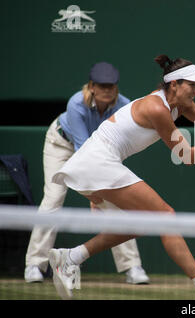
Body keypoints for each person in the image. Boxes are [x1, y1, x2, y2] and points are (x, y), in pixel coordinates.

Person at [47, 54, 195, 300]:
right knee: (166, 216)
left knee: (142, 224)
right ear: (174, 84)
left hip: (93, 164)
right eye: (192, 84)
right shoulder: (156, 108)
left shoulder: (181, 105)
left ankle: (70, 257)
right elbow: (187, 155)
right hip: (96, 161)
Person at [24, 62, 150, 285]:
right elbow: (83, 151)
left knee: (115, 204)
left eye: (111, 86)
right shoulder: (76, 104)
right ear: (91, 86)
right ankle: (35, 264)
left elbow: (120, 147)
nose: (107, 90)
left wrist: (104, 191)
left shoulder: (125, 107)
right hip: (61, 146)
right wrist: (94, 193)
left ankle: (133, 267)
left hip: (100, 155)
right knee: (53, 199)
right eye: (102, 85)